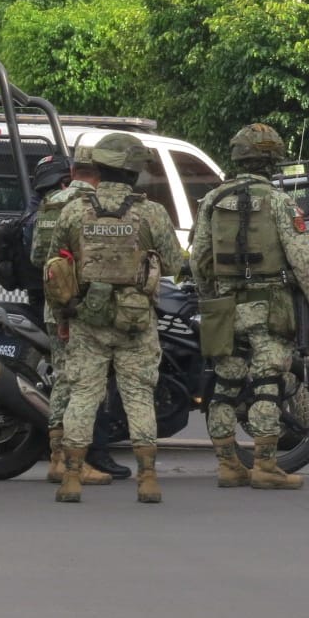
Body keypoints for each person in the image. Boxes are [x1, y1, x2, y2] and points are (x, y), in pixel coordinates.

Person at [190, 123, 309, 491]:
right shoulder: (281, 203)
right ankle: (265, 465)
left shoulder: (212, 202)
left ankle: (228, 466)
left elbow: (198, 258)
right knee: (267, 383)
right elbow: (300, 257)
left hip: (225, 306)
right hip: (270, 306)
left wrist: (210, 295)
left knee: (224, 386)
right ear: (272, 160)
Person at [52, 133, 182, 505]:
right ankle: (148, 479)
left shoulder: (74, 210)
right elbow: (172, 264)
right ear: (134, 170)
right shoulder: (152, 212)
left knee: (83, 395)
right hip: (137, 321)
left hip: (85, 318)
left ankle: (72, 478)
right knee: (139, 397)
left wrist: (64, 315)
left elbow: (55, 266)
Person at [28, 149, 122, 485]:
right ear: (101, 173)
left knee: (63, 377)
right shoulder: (99, 204)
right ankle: (73, 461)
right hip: (89, 306)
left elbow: (38, 255)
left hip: (55, 303)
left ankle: (57, 457)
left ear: (73, 170)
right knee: (85, 383)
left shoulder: (51, 201)